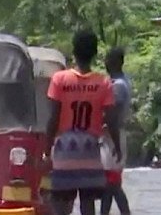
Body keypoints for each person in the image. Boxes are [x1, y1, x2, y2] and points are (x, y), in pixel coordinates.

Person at [44, 30, 120, 215]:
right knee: (88, 206)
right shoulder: (103, 82)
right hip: (90, 152)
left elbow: (53, 118)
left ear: (74, 50)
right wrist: (117, 146)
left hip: (64, 153)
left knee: (60, 205)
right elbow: (111, 120)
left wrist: (46, 150)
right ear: (94, 53)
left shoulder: (59, 79)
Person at [100, 47, 132, 215]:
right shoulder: (121, 81)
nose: (105, 63)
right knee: (109, 182)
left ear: (117, 63)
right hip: (113, 136)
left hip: (114, 137)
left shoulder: (118, 86)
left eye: (108, 60)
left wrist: (116, 145)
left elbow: (112, 116)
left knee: (112, 183)